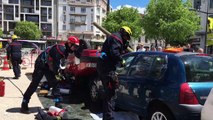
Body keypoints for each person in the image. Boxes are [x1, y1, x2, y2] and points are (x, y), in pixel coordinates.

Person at [20, 36, 80, 113]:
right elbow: (55, 66)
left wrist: (59, 74)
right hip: (41, 64)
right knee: (35, 83)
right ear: (69, 44)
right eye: (74, 46)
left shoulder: (66, 50)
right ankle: (24, 103)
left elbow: (58, 64)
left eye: (76, 47)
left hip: (48, 65)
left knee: (55, 84)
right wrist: (59, 74)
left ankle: (58, 105)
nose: (75, 48)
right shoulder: (60, 49)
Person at [97, 26, 132, 120]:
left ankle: (107, 116)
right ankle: (108, 117)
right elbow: (114, 52)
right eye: (127, 37)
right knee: (110, 94)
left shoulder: (115, 38)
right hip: (107, 69)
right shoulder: (117, 39)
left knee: (109, 93)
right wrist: (121, 60)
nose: (127, 39)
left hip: (104, 68)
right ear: (124, 33)